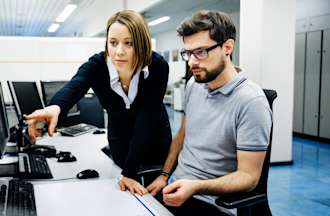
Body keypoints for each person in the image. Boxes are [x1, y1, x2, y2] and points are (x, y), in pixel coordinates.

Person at [26, 10, 172, 196]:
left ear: (142, 43)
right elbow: (75, 86)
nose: (119, 51)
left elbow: (147, 119)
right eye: (113, 43)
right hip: (119, 138)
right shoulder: (97, 65)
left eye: (129, 43)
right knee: (123, 194)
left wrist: (130, 172)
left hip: (153, 137)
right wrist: (55, 108)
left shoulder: (157, 66)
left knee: (154, 196)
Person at [146, 10, 272, 216]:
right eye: (188, 53)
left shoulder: (252, 102)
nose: (191, 62)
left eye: (201, 52)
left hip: (211, 203)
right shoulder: (195, 84)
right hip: (176, 189)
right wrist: (164, 174)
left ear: (228, 47)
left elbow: (249, 177)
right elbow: (182, 135)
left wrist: (195, 186)